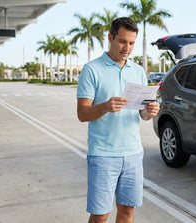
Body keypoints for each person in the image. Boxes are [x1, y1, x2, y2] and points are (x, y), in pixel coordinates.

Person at [76, 17, 160, 223]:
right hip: (103, 155)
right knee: (99, 216)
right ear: (110, 38)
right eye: (122, 41)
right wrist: (105, 106)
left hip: (133, 154)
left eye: (131, 43)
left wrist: (150, 111)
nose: (127, 48)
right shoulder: (91, 70)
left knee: (127, 213)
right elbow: (82, 114)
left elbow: (142, 115)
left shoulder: (138, 71)